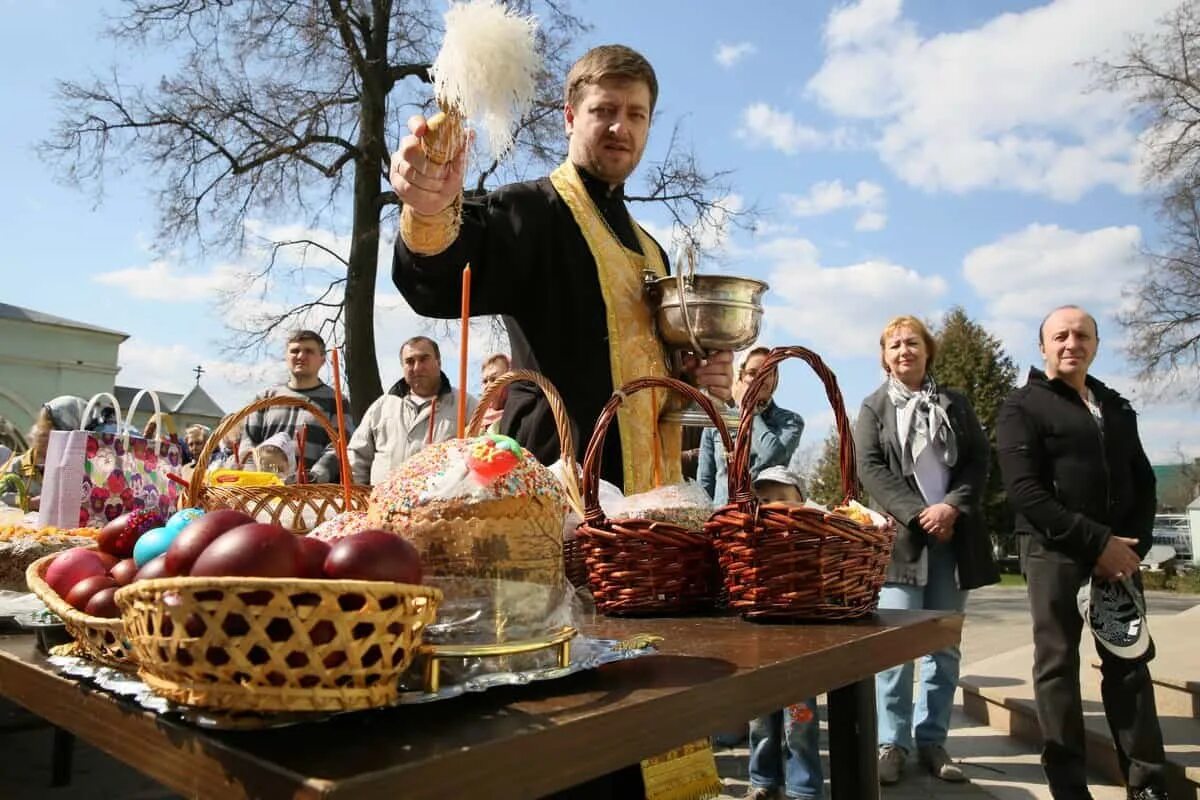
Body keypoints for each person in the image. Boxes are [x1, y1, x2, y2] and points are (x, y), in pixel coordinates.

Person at [390, 44, 733, 494]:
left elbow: (649, 380)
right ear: (570, 117)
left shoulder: (652, 250)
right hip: (555, 486)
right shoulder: (530, 210)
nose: (620, 127)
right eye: (604, 110)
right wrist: (430, 208)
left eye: (636, 114)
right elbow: (437, 283)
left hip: (650, 508)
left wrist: (694, 380)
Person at [996, 306, 1167, 800]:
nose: (1072, 343)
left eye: (1082, 335)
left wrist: (1131, 547)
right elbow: (1026, 492)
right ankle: (1069, 787)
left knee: (1129, 666)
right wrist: (1098, 544)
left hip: (1120, 560)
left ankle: (1148, 783)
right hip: (1055, 554)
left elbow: (1145, 481)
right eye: (1060, 336)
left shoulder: (1115, 406)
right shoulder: (1022, 407)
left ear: (1095, 343)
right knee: (1058, 666)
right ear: (1043, 346)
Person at [854, 315, 999, 786]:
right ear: (884, 356)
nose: (903, 350)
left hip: (953, 542)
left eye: (911, 342)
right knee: (895, 650)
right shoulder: (874, 407)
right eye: (893, 344)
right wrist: (920, 513)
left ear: (927, 350)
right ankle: (890, 744)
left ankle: (932, 740)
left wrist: (951, 507)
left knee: (943, 646)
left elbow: (979, 460)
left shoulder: (955, 403)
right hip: (902, 545)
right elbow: (871, 469)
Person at [743, 465, 824, 800]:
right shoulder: (752, 540)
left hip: (798, 644)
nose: (772, 506)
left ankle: (803, 786)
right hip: (761, 641)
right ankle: (763, 780)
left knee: (799, 719)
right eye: (764, 499)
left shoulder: (812, 536)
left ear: (802, 502)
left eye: (782, 498)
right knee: (760, 719)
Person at [347, 336, 477, 485]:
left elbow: (483, 454)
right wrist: (361, 497)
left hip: (441, 505)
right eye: (409, 361)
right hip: (382, 504)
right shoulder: (382, 407)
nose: (416, 367)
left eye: (424, 359)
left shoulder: (465, 405)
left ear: (439, 362)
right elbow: (357, 455)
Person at [239, 329, 351, 484]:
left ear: (322, 359)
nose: (301, 356)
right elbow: (248, 441)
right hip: (264, 490)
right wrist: (256, 478)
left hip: (312, 495)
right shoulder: (265, 398)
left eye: (309, 351)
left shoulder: (336, 401)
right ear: (286, 356)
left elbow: (338, 447)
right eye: (295, 351)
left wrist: (311, 478)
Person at [697, 347, 804, 506]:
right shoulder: (717, 421)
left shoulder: (790, 421)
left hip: (765, 519)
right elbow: (705, 482)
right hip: (722, 518)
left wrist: (749, 410)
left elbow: (771, 455)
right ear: (741, 377)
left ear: (775, 380)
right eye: (753, 373)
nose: (761, 378)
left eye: (768, 372)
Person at [2, 396, 90, 511]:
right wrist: (28, 502)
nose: (46, 441)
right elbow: (2, 496)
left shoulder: (80, 469)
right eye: (44, 435)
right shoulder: (17, 465)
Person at [479, 352, 511, 430]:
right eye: (485, 381)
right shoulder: (480, 421)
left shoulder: (520, 417)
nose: (487, 386)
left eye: (493, 379)